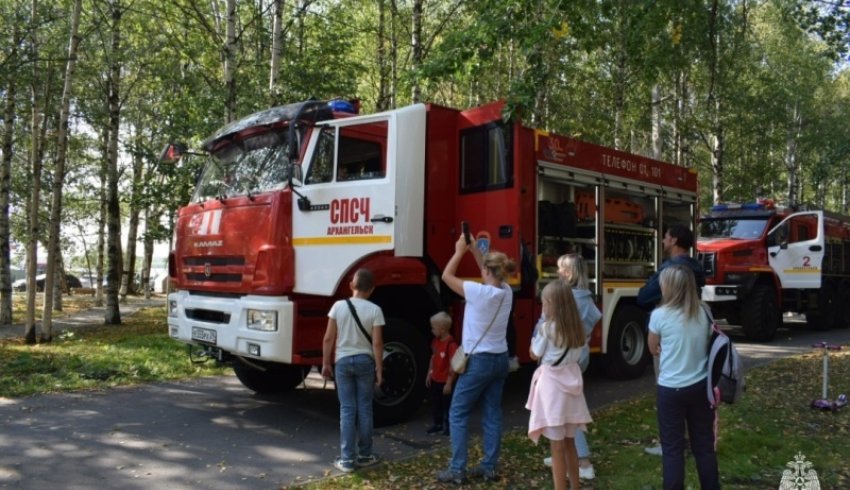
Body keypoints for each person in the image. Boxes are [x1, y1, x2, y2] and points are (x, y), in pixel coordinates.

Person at [436, 234, 515, 485]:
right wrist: (473, 249)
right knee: (492, 413)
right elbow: (488, 268)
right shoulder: (506, 292)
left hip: (479, 361)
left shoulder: (477, 292)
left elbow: (446, 277)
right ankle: (489, 467)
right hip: (500, 359)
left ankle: (457, 469)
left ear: (486, 271)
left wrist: (459, 251)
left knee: (458, 412)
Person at [647, 265, 720, 490]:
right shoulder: (704, 312)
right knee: (704, 447)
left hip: (670, 389)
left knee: (672, 449)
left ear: (669, 288)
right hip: (700, 387)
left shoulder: (659, 315)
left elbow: (652, 348)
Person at [637, 224, 704, 456]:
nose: (663, 240)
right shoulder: (696, 268)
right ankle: (691, 441)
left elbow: (644, 297)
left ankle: (672, 444)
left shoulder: (672, 269)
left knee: (669, 393)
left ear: (674, 240)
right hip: (692, 339)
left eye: (666, 237)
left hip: (669, 339)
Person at [526, 280, 592, 490]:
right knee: (570, 443)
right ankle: (575, 485)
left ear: (552, 304)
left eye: (545, 303)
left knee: (556, 447)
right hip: (572, 388)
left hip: (552, 390)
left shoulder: (547, 329)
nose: (543, 306)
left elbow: (534, 353)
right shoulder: (578, 330)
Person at [542, 254, 601, 480]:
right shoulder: (586, 297)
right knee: (570, 404)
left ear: (568, 272)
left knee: (565, 408)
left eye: (560, 269)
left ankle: (581, 460)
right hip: (580, 352)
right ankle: (566, 456)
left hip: (562, 358)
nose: (557, 273)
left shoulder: (566, 298)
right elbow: (595, 318)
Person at [321, 268, 385, 473]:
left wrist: (325, 363)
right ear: (372, 289)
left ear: (351, 285)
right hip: (366, 362)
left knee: (347, 410)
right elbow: (377, 343)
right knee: (365, 408)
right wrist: (380, 368)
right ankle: (365, 454)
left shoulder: (338, 306)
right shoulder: (375, 310)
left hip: (343, 362)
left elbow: (328, 338)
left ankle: (347, 460)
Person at [425, 311, 457, 436]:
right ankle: (437, 423)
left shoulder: (451, 344)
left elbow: (452, 365)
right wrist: (429, 372)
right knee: (435, 404)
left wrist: (449, 383)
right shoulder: (436, 341)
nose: (432, 330)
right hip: (435, 379)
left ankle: (448, 426)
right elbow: (433, 357)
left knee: (447, 405)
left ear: (442, 329)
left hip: (445, 381)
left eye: (434, 328)